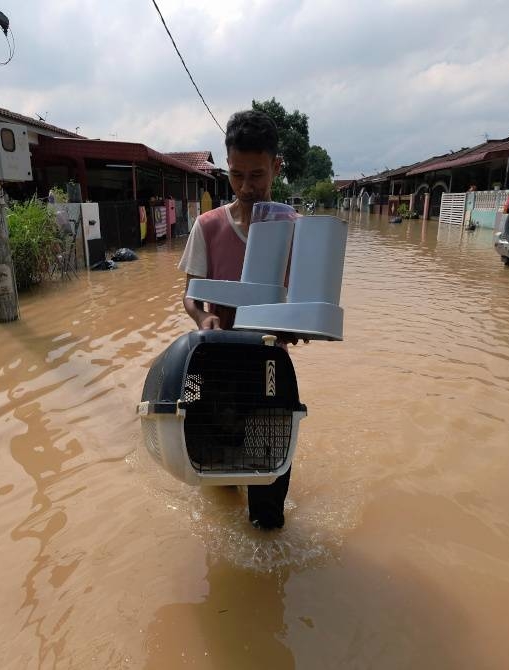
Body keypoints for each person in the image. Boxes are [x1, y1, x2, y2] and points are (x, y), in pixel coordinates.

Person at [177, 109, 293, 530]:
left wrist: (296, 329)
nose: (246, 187)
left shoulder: (296, 231)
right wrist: (204, 319)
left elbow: (304, 304)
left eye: (257, 175)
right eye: (237, 175)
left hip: (269, 368)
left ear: (276, 167)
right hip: (212, 367)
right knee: (214, 469)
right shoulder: (207, 227)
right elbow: (191, 296)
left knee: (268, 497)